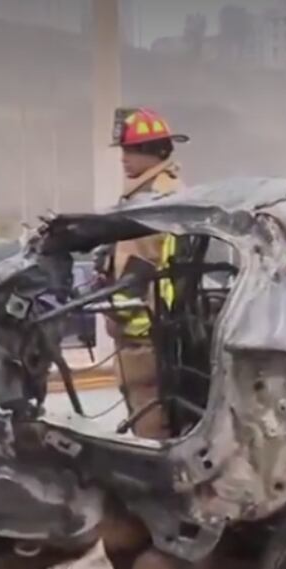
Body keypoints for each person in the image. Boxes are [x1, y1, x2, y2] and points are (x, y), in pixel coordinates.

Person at [101, 106, 188, 440]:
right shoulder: (150, 191)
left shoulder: (156, 198)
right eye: (123, 149)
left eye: (132, 150)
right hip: (140, 332)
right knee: (145, 413)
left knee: (152, 425)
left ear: (155, 152)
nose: (124, 158)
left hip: (146, 335)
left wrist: (125, 315)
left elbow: (142, 267)